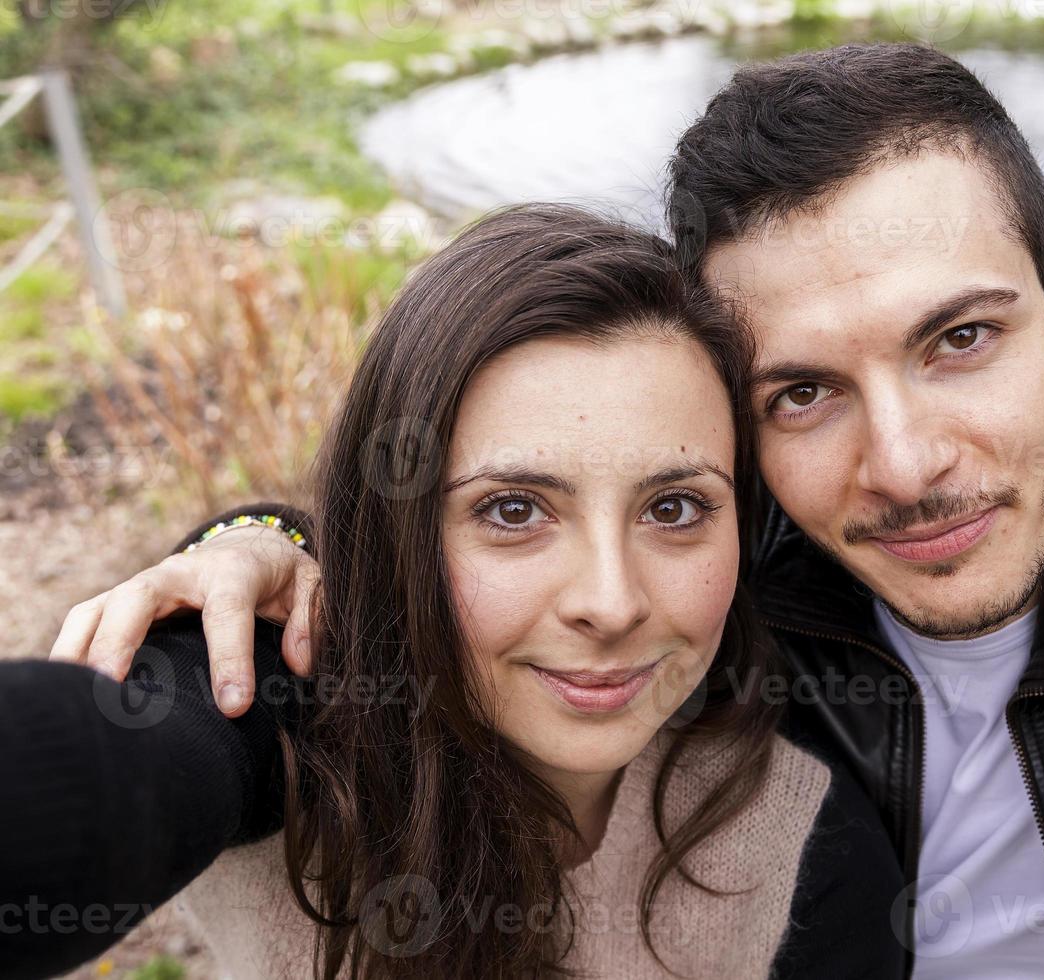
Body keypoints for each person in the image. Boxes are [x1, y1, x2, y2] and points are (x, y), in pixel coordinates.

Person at [33, 43, 1044, 979]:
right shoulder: (716, 565)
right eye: (800, 393)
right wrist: (259, 542)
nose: (902, 464)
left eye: (959, 338)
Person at [0, 205, 905, 979]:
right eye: (514, 509)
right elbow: (114, 776)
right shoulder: (293, 721)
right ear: (401, 532)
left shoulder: (802, 843)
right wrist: (255, 536)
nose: (611, 601)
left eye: (673, 506)